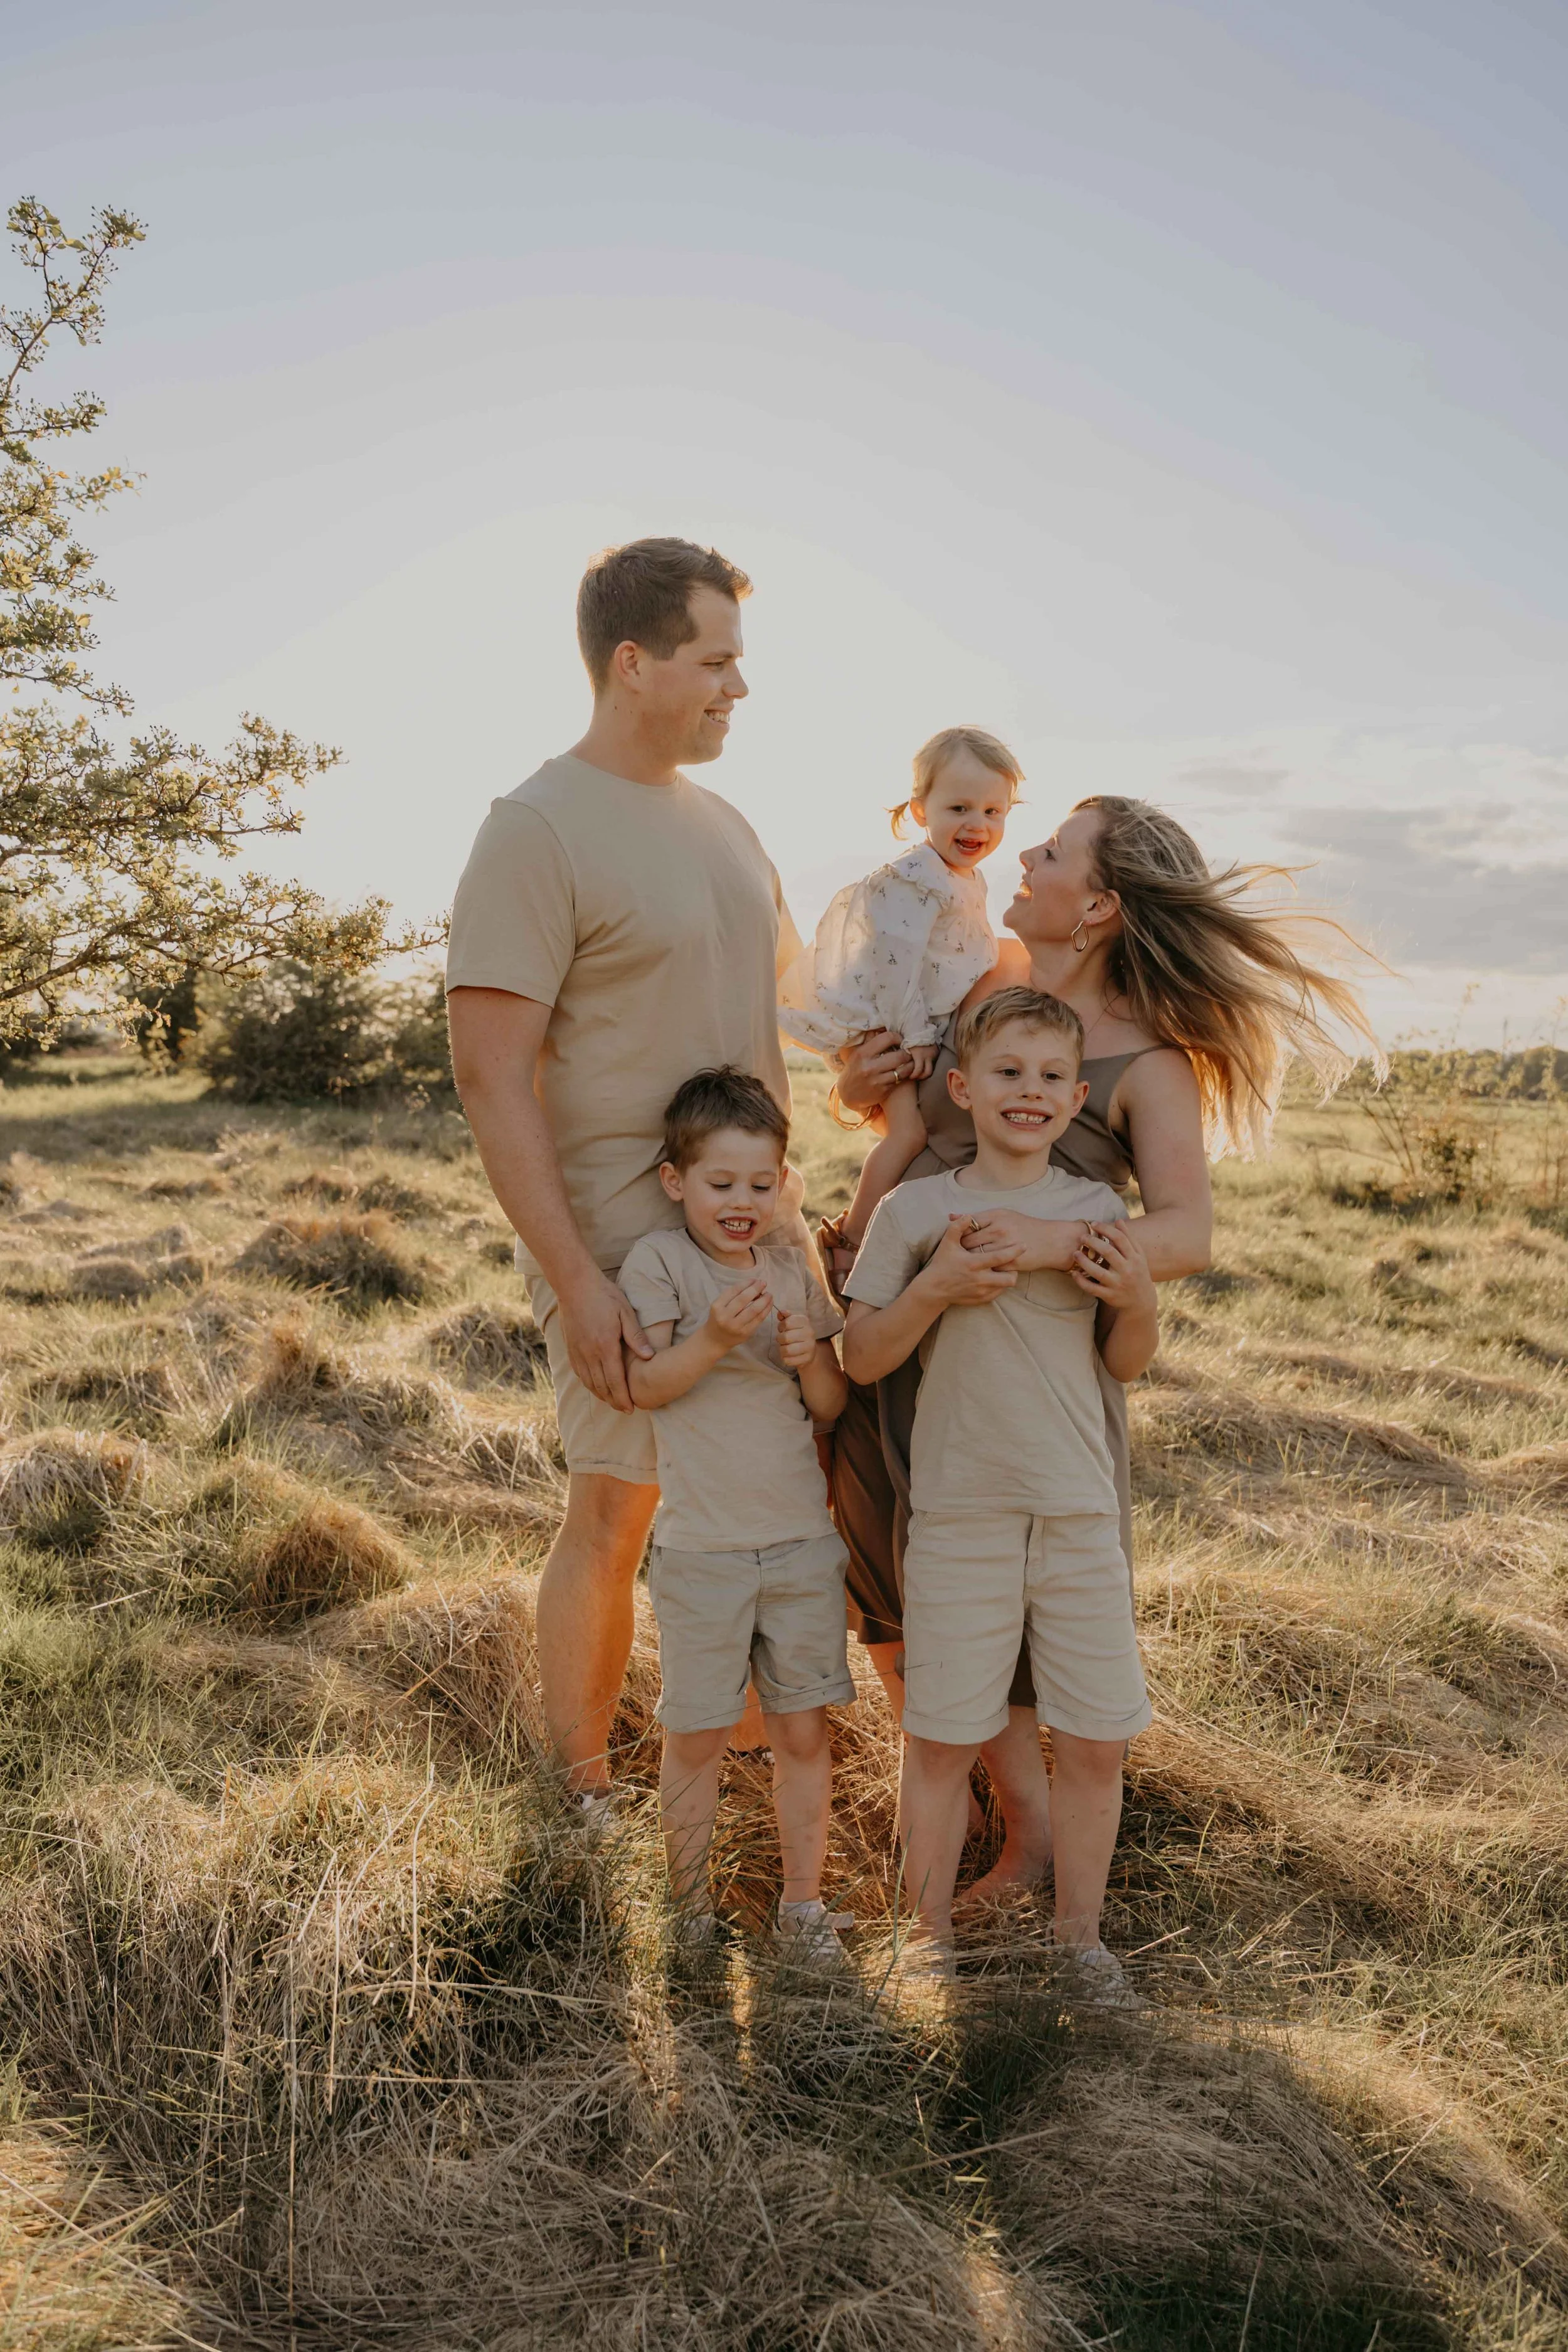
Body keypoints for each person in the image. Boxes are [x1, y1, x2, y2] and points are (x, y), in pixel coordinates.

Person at [827, 795, 1378, 1897]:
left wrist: (1048, 1240)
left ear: (1099, 907)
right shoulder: (981, 988)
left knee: (1023, 1616)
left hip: (1021, 1372)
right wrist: (858, 1093)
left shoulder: (1145, 1063)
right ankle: (971, 1818)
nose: (1023, 856)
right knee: (890, 1588)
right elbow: (914, 1125)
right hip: (894, 1322)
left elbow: (1186, 1231)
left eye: (1053, 852)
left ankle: (1030, 1848)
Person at [445, 538, 807, 1811]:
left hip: (766, 1235)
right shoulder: (535, 829)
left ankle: (757, 1776)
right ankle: (580, 1791)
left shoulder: (730, 827)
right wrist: (575, 1279)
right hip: (621, 1238)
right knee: (618, 1513)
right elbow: (490, 1073)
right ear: (633, 662)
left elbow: (793, 1011)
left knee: (772, 1504)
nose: (737, 689)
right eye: (716, 662)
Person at [842, 988, 1159, 1984]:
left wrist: (1139, 1297)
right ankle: (923, 1944)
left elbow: (1125, 1362)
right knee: (940, 1740)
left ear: (1075, 1101)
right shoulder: (919, 1208)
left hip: (1074, 1510)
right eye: (1009, 1073)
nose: (1031, 1092)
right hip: (960, 1514)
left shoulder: (1098, 1211)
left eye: (1052, 1077)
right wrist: (936, 1287)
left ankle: (1080, 1942)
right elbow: (859, 1356)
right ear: (963, 1087)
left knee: (1099, 1739)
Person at [620, 1068, 853, 1958]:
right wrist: (713, 1337)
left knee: (802, 1729)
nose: (743, 1202)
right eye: (722, 1184)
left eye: (762, 1185)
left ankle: (802, 1906)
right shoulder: (660, 1262)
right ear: (678, 1180)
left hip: (799, 1543)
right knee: (698, 1733)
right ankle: (689, 1909)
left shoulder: (791, 1271)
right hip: (703, 1550)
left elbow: (828, 1408)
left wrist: (808, 1358)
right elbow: (648, 1386)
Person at [778, 728, 1022, 1241]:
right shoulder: (917, 878)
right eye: (959, 809)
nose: (977, 824)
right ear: (919, 811)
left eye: (993, 812)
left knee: (910, 1131)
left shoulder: (965, 876)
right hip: (885, 1022)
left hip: (912, 1017)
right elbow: (897, 966)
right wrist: (916, 1037)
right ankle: (852, 1237)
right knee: (907, 1134)